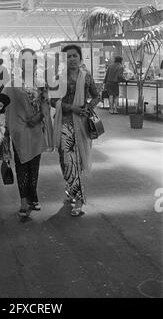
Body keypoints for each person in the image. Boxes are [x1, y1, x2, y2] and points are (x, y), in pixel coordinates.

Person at [3, 48, 53, 217]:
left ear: (36, 63)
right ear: (20, 63)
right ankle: (24, 200)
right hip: (19, 130)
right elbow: (2, 103)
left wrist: (39, 116)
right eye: (24, 60)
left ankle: (34, 196)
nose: (28, 63)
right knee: (21, 165)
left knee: (34, 166)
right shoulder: (12, 84)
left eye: (31, 60)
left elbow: (46, 104)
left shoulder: (41, 83)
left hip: (36, 128)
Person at [53, 44, 100, 216]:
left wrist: (88, 107)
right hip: (64, 123)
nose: (72, 59)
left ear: (80, 58)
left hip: (82, 124)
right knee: (66, 161)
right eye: (68, 56)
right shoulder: (59, 78)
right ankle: (71, 189)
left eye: (75, 56)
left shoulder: (87, 77)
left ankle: (79, 199)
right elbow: (53, 101)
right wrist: (71, 107)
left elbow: (97, 95)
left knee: (77, 160)